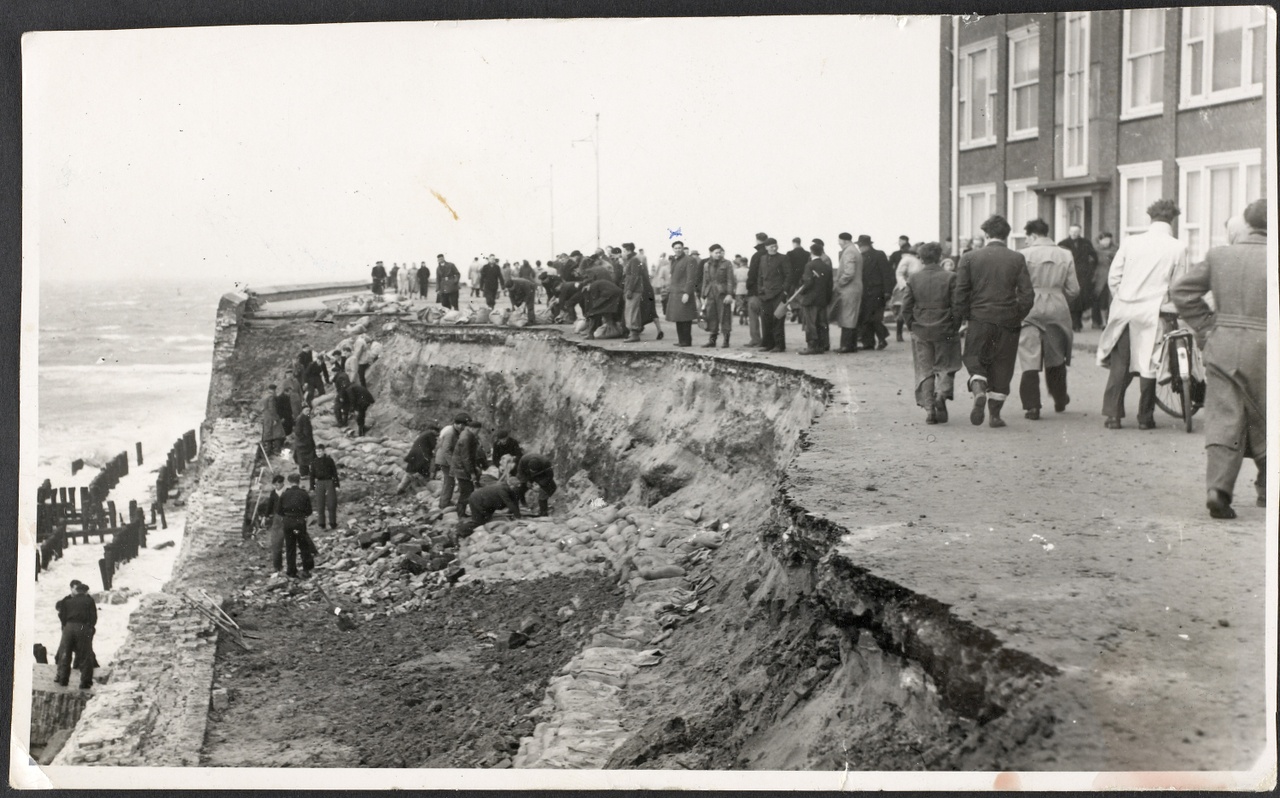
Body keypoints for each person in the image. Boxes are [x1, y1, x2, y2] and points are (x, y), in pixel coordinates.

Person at [1171, 200, 1267, 519]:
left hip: (1223, 343)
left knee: (1224, 415)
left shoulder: (1220, 254)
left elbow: (1182, 291)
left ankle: (1218, 489)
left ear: (1247, 225)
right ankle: (1267, 488)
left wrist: (1207, 325)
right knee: (1270, 416)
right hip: (1268, 346)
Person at [1097, 199, 1190, 430]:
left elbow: (1113, 277)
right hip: (1154, 312)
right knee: (1149, 363)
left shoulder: (1130, 242)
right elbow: (1178, 285)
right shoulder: (1177, 247)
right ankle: (1145, 418)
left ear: (1150, 218)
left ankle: (1113, 416)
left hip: (1125, 310)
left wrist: (1124, 297)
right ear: (1172, 220)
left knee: (1121, 363)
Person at [954, 215, 1035, 428]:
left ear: (986, 234)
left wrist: (963, 316)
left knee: (974, 357)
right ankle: (995, 416)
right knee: (1003, 364)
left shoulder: (969, 257)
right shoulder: (1016, 258)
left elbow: (960, 292)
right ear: (1006, 235)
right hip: (1008, 319)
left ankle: (979, 387)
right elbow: (1027, 294)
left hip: (979, 318)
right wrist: (1017, 314)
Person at [1016, 219, 1079, 420]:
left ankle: (1032, 406)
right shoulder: (1065, 253)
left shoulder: (1023, 255)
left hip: (1030, 307)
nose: (1026, 241)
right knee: (1055, 356)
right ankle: (1060, 398)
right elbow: (1074, 289)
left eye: (1027, 237)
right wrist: (1058, 296)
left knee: (1029, 356)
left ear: (1033, 235)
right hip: (1057, 306)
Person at [901, 242, 961, 423]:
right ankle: (941, 394)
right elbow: (957, 306)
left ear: (921, 258)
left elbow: (906, 307)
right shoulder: (951, 277)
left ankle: (929, 410)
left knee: (924, 370)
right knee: (946, 366)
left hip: (921, 329)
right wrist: (954, 326)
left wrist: (912, 325)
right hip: (945, 328)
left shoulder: (913, 278)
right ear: (940, 257)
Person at [54, 581, 96, 688]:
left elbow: (62, 616)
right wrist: (90, 628)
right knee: (85, 655)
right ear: (86, 591)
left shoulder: (68, 601)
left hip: (68, 627)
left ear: (76, 591)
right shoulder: (89, 601)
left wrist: (67, 626)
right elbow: (93, 617)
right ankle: (85, 682)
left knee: (65, 654)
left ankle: (63, 680)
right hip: (82, 627)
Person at [855, 235, 893, 350]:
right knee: (866, 317)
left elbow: (886, 273)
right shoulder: (861, 257)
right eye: (859, 245)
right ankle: (868, 343)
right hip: (865, 292)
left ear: (868, 245)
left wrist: (887, 291)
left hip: (877, 291)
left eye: (861, 245)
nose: (860, 247)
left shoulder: (879, 255)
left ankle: (882, 339)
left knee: (874, 318)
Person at [455, 477, 523, 540]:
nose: (517, 489)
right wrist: (518, 517)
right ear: (511, 485)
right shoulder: (502, 489)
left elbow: (514, 501)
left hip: (485, 501)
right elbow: (509, 503)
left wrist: (517, 514)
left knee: (487, 519)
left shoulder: (508, 488)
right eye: (516, 487)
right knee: (478, 522)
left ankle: (463, 526)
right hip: (476, 500)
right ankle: (459, 531)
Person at [795, 242, 833, 355]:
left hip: (810, 299)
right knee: (821, 323)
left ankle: (812, 346)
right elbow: (829, 285)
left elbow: (808, 282)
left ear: (811, 252)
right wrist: (827, 299)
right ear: (821, 252)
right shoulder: (826, 267)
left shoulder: (809, 265)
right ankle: (821, 345)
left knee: (810, 323)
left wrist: (803, 293)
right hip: (822, 299)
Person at [1058, 224, 1098, 332]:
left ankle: (1078, 323)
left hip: (1082, 275)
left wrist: (1090, 269)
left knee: (1080, 299)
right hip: (1068, 274)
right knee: (1070, 298)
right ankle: (1072, 323)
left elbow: (1094, 257)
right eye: (1072, 231)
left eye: (1076, 232)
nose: (1074, 234)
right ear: (1069, 231)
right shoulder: (1062, 244)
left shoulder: (1086, 243)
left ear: (1080, 232)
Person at [829, 232, 864, 353]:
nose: (839, 244)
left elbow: (849, 272)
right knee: (851, 316)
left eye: (839, 241)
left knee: (847, 316)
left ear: (843, 241)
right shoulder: (855, 250)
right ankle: (851, 345)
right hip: (855, 288)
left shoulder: (849, 252)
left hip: (849, 289)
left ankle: (846, 346)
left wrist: (839, 284)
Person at [278, 473, 315, 578]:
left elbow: (279, 511)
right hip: (299, 522)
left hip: (288, 522)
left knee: (290, 547)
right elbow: (309, 511)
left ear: (289, 482)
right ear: (299, 481)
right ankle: (306, 570)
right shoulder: (303, 494)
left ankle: (291, 571)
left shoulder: (284, 494)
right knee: (303, 546)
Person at [665, 241, 701, 348]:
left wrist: (687, 292)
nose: (678, 250)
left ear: (683, 248)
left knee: (685, 318)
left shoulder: (690, 260)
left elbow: (691, 278)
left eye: (680, 247)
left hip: (683, 293)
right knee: (678, 318)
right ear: (673, 249)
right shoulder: (675, 260)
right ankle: (681, 340)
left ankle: (686, 341)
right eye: (675, 248)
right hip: (675, 293)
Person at [757, 237, 790, 353]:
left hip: (778, 294)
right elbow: (760, 276)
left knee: (778, 319)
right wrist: (760, 289)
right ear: (766, 247)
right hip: (765, 294)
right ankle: (768, 344)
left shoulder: (783, 258)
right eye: (771, 246)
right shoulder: (762, 259)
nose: (774, 248)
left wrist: (784, 291)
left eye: (776, 245)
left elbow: (788, 275)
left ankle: (779, 345)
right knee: (766, 320)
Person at [700, 245, 736, 348]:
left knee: (724, 316)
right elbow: (705, 281)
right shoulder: (706, 265)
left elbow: (730, 280)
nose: (718, 254)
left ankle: (726, 341)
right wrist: (703, 295)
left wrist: (729, 294)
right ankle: (712, 341)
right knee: (711, 316)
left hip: (722, 293)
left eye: (720, 252)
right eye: (716, 252)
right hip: (710, 293)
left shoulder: (727, 263)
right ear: (710, 253)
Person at [450, 419, 485, 517]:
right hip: (462, 469)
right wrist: (472, 473)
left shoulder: (466, 435)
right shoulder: (466, 438)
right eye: (477, 431)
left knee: (466, 491)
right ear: (472, 428)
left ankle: (461, 512)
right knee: (467, 491)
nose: (478, 433)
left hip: (460, 467)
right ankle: (461, 514)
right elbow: (466, 457)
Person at [435, 413, 469, 509]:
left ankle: (445, 501)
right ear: (458, 424)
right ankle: (444, 503)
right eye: (462, 425)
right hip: (445, 460)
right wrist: (452, 464)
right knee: (449, 481)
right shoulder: (450, 433)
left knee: (449, 481)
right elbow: (446, 450)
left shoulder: (455, 431)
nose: (463, 428)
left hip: (446, 459)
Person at [891, 244, 923, 343]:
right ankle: (899, 334)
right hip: (906, 287)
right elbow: (899, 273)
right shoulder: (907, 259)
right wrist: (904, 285)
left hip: (919, 287)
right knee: (903, 310)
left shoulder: (921, 261)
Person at [397, 425, 440, 494]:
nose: (437, 435)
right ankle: (422, 489)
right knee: (423, 473)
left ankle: (401, 488)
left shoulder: (425, 434)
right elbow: (434, 446)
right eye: (437, 433)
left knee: (410, 472)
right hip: (420, 456)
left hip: (415, 454)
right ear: (434, 430)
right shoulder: (430, 434)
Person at [743, 233, 769, 347]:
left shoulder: (756, 255)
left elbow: (752, 274)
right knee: (766, 316)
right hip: (768, 290)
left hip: (755, 290)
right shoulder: (770, 254)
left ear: (757, 240)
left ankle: (755, 339)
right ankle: (767, 339)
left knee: (753, 315)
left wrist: (749, 286)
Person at [257, 473, 286, 570]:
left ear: (282, 483)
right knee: (276, 541)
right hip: (277, 517)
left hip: (288, 516)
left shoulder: (287, 492)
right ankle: (277, 566)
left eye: (277, 485)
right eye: (275, 485)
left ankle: (312, 550)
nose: (276, 487)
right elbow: (270, 505)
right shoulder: (273, 493)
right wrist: (265, 516)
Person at [515, 452, 557, 517]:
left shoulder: (546, 463)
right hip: (527, 474)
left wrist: (540, 485)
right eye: (532, 470)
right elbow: (520, 473)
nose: (533, 472)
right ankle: (521, 502)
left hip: (541, 474)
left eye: (534, 470)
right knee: (520, 486)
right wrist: (526, 482)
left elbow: (549, 476)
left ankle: (543, 513)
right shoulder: (523, 460)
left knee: (544, 493)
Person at [309, 443, 340, 530]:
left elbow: (334, 473)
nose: (318, 453)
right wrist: (312, 487)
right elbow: (311, 476)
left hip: (329, 482)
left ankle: (333, 523)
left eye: (320, 451)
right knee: (320, 504)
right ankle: (321, 523)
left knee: (331, 503)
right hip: (319, 483)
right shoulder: (314, 462)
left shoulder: (329, 460)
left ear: (324, 451)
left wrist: (337, 485)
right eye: (317, 452)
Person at [1092, 232, 1117, 329]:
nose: (1106, 241)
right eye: (1104, 239)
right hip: (1099, 277)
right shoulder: (1096, 250)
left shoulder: (1116, 249)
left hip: (1112, 276)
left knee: (1111, 299)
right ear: (1100, 240)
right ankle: (1101, 322)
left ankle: (1109, 321)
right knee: (1100, 299)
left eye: (1108, 239)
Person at [261, 385, 285, 455]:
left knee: (268, 433)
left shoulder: (265, 395)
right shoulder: (271, 397)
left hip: (266, 416)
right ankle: (277, 450)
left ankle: (268, 450)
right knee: (278, 433)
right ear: (274, 390)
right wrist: (275, 419)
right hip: (272, 417)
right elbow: (272, 408)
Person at [293, 405, 316, 476]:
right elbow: (297, 432)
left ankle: (306, 472)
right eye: (306, 410)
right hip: (302, 443)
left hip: (306, 442)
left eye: (309, 411)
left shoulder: (306, 417)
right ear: (302, 411)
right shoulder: (300, 418)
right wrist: (303, 439)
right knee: (302, 459)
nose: (308, 412)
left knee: (306, 459)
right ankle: (303, 474)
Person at [331, 361, 352, 427]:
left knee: (336, 408)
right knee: (345, 407)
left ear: (335, 372)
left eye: (333, 373)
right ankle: (345, 422)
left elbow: (342, 388)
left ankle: (340, 423)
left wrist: (341, 396)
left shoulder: (339, 378)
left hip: (343, 394)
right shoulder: (344, 374)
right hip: (348, 393)